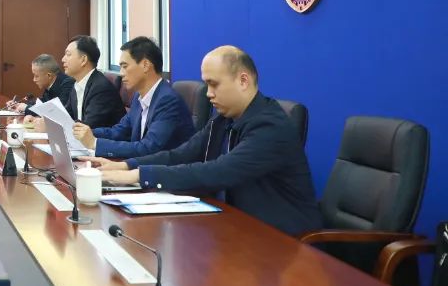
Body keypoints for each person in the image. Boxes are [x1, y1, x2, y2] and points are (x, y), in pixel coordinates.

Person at [92, 46, 321, 236]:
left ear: (243, 81)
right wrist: (126, 166)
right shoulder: (224, 119)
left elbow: (218, 171)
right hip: (237, 226)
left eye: (214, 84)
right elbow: (182, 154)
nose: (208, 93)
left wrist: (139, 175)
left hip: (284, 240)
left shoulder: (270, 126)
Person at [72, 37, 193, 159]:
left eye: (125, 66)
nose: (121, 73)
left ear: (145, 65)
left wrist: (95, 143)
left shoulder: (167, 100)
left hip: (164, 168)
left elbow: (148, 148)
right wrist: (86, 132)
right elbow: (119, 131)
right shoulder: (138, 97)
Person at [59, 36, 124, 128]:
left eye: (68, 54)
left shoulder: (100, 88)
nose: (63, 59)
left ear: (83, 60)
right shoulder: (77, 84)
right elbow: (66, 116)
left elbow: (88, 127)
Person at [9, 54, 74, 116]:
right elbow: (42, 103)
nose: (34, 80)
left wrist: (26, 108)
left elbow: (56, 111)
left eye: (36, 76)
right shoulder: (51, 84)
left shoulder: (67, 83)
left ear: (49, 75)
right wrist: (19, 105)